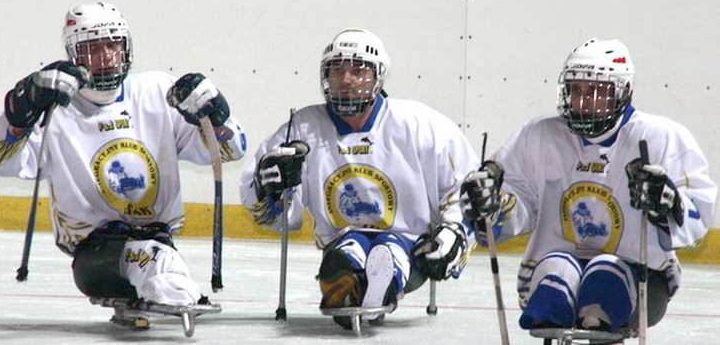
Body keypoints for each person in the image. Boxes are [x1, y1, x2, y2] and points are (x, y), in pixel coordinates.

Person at [0, 2, 247, 330]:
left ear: (126, 48)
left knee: (153, 252)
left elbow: (231, 150)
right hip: (96, 258)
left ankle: (156, 281)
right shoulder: (56, 111)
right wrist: (19, 111)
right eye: (93, 48)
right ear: (74, 53)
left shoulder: (158, 92)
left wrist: (216, 117)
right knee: (153, 256)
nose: (106, 56)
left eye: (113, 45)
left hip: (158, 239)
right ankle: (168, 284)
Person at [460, 38, 717, 334]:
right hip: (553, 268)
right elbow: (517, 202)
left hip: (642, 277)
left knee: (604, 274)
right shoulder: (539, 135)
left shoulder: (662, 136)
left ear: (624, 91)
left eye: (596, 92)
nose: (583, 101)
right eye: (576, 90)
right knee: (557, 269)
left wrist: (670, 204)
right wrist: (491, 207)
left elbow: (698, 212)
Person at [239, 28, 479, 329]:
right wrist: (270, 189)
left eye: (358, 70)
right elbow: (274, 213)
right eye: (336, 70)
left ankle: (379, 282)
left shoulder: (421, 124)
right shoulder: (303, 128)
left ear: (379, 76)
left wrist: (453, 232)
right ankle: (349, 281)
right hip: (341, 238)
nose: (346, 79)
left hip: (412, 244)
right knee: (346, 251)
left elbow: (464, 185)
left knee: (392, 251)